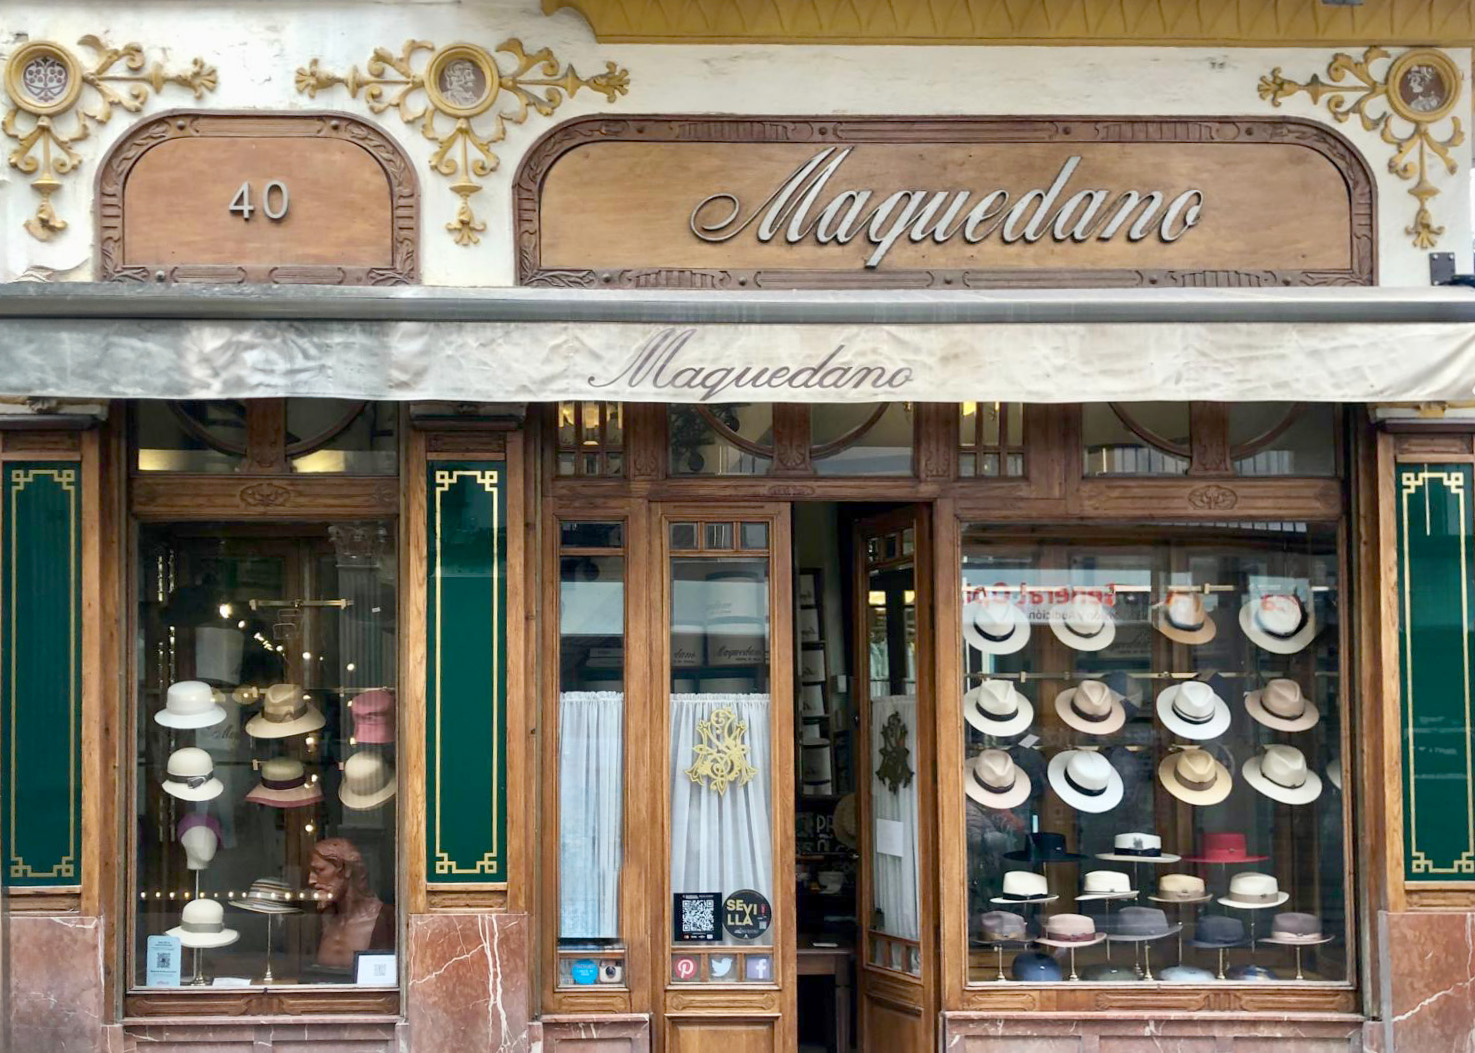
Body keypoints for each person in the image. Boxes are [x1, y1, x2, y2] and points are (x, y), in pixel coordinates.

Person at [308, 837, 393, 968]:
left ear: (346, 870)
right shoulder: (322, 920)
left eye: (319, 870)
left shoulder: (385, 918)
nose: (311, 880)